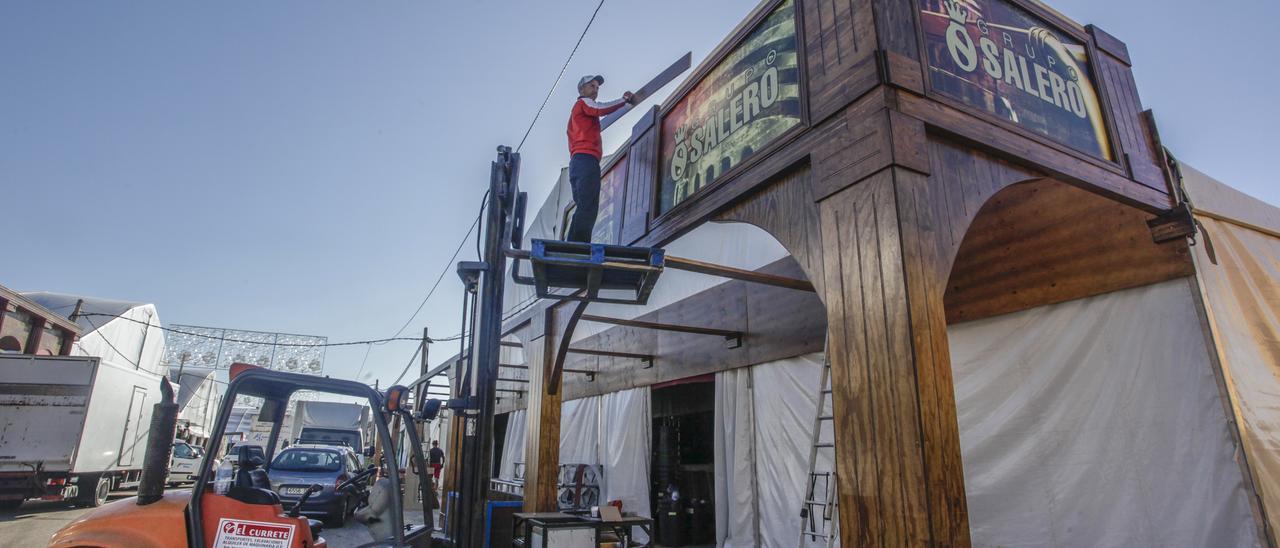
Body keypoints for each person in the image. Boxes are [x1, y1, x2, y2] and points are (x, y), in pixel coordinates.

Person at [565, 75, 633, 242]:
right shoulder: (583, 102)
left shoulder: (577, 115)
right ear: (582, 89)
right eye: (592, 86)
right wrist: (624, 100)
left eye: (597, 87)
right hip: (586, 159)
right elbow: (601, 109)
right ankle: (578, 245)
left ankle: (571, 244)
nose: (595, 90)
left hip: (577, 162)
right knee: (589, 205)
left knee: (583, 205)